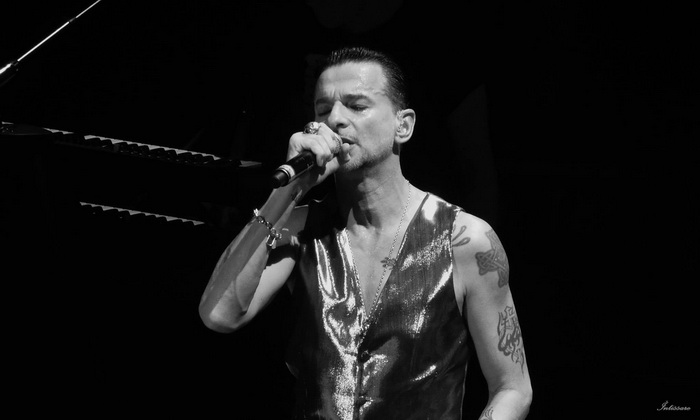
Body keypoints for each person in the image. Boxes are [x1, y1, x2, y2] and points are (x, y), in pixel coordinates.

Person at [198, 46, 532, 419]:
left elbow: (512, 388)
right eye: (323, 110)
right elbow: (219, 315)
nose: (335, 120)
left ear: (403, 126)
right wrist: (286, 194)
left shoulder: (464, 239)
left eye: (356, 106)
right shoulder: (299, 229)